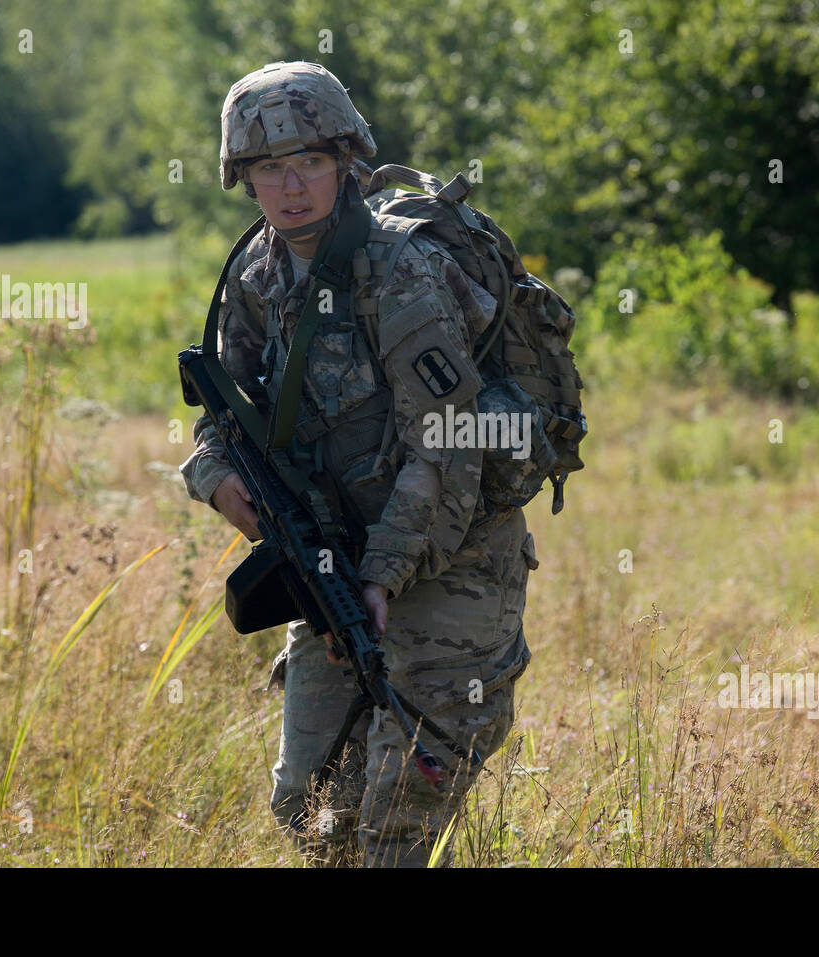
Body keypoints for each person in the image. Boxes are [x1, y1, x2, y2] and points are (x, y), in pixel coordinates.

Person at [179, 60, 537, 867]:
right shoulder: (256, 277)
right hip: (340, 567)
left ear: (347, 160)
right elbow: (222, 415)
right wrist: (213, 478)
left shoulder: (401, 271)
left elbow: (448, 448)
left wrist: (380, 574)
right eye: (269, 167)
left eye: (309, 160)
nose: (292, 185)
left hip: (451, 570)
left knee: (395, 826)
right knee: (307, 810)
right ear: (244, 178)